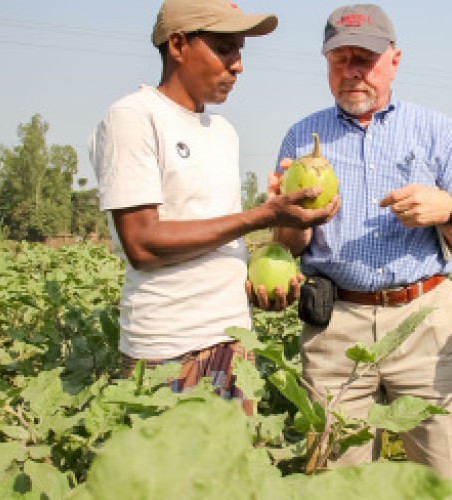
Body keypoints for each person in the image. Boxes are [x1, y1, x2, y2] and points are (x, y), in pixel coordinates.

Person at [270, 4, 452, 479]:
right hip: (336, 326)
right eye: (339, 60)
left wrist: (445, 208)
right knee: (335, 480)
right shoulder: (301, 138)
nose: (351, 73)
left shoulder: (437, 131)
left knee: (445, 479)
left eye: (364, 60)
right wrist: (292, 215)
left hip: (424, 321)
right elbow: (288, 244)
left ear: (394, 60)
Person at [87, 0, 339, 412]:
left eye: (240, 51)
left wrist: (260, 283)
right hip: (168, 349)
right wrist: (262, 215)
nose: (238, 65)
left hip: (234, 341)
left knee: (236, 472)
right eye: (224, 50)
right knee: (173, 475)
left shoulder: (222, 132)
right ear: (178, 46)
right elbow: (143, 244)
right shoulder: (133, 117)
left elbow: (220, 237)